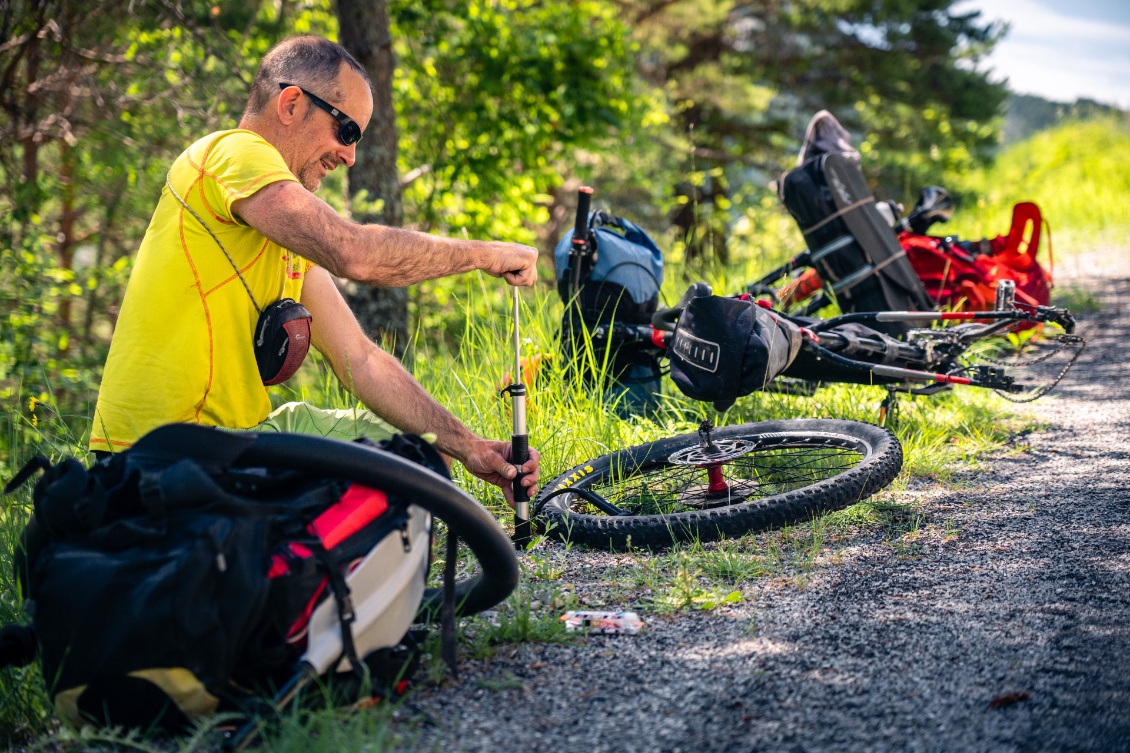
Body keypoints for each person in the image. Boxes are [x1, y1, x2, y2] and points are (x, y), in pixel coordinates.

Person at [89, 35, 539, 507]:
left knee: (426, 455)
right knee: (411, 465)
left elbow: (360, 361)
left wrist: (470, 448)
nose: (350, 156)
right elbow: (354, 254)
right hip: (158, 452)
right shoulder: (231, 154)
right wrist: (484, 254)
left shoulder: (282, 233)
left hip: (237, 436)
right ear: (290, 104)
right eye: (346, 131)